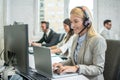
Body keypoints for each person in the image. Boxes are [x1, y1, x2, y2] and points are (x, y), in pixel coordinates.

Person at [53, 6, 107, 80]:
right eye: (71, 22)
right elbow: (72, 60)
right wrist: (61, 64)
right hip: (77, 77)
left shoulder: (98, 40)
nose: (72, 26)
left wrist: (76, 68)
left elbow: (98, 69)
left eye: (76, 21)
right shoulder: (75, 38)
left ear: (86, 22)